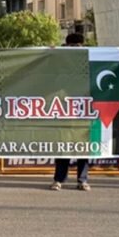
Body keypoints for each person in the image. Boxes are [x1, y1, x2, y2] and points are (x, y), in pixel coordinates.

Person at [50, 33, 91, 191]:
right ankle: (59, 179)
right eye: (73, 46)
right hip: (64, 108)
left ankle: (82, 180)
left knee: (83, 146)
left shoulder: (88, 57)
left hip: (83, 108)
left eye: (79, 46)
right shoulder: (61, 59)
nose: (76, 49)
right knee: (63, 145)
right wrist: (51, 52)